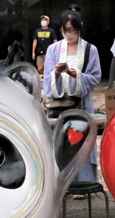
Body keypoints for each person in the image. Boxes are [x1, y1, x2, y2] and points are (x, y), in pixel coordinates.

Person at [43, 10, 101, 181]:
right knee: (61, 144)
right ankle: (62, 184)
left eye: (72, 30)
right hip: (58, 106)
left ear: (79, 28)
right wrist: (58, 74)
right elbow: (47, 77)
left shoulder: (90, 49)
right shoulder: (53, 49)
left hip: (82, 103)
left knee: (82, 142)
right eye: (65, 30)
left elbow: (95, 76)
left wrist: (78, 75)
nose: (69, 34)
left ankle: (84, 181)